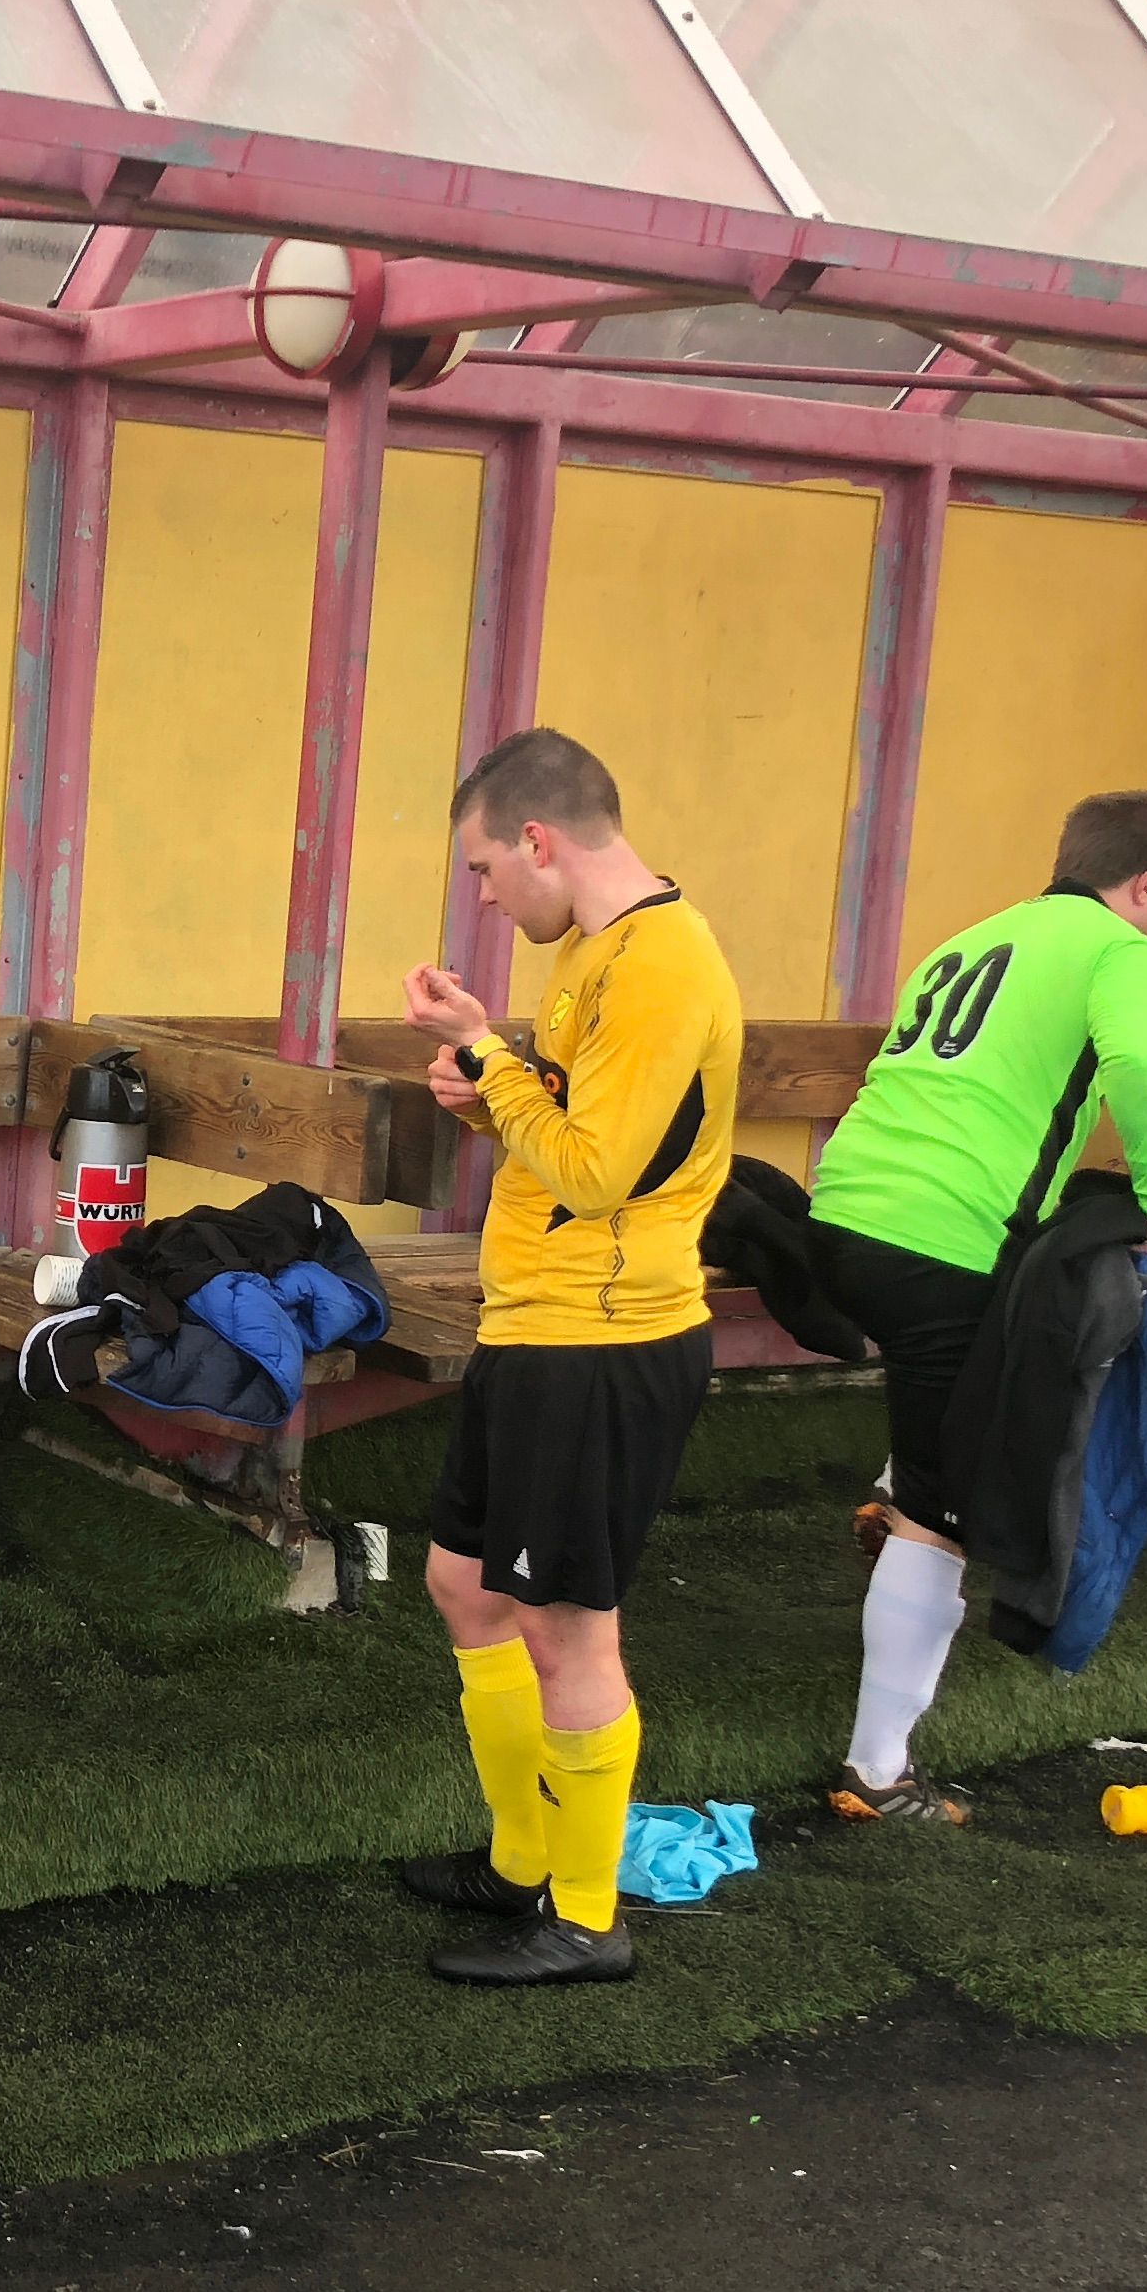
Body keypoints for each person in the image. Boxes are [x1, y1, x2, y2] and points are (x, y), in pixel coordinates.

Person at [393, 729, 743, 1987]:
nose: (486, 897)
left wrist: (494, 1065)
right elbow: (579, 1123)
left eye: (485, 869)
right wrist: (490, 1065)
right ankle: (521, 1859)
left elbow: (594, 1173)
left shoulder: (661, 964)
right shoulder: (598, 951)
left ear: (538, 840)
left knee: (565, 1631)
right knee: (464, 1585)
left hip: (604, 1341)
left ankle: (587, 1919)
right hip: (535, 1326)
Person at [807, 791, 1147, 1825]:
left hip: (839, 1213)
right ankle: (877, 1774)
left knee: (951, 1412)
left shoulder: (976, 935)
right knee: (942, 1520)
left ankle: (899, 1487)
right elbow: (1142, 1063)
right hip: (938, 1245)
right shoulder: (1125, 950)